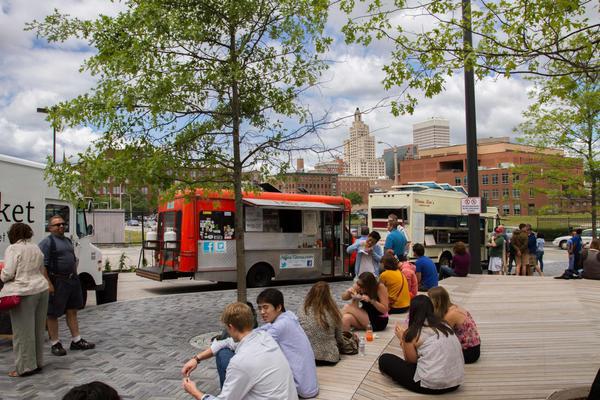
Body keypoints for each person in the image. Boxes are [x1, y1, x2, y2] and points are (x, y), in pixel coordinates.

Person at [205, 288, 318, 398]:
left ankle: (228, 394)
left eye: (265, 307)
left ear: (278, 307)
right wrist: (198, 358)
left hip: (299, 386)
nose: (262, 312)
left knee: (224, 354)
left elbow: (247, 340)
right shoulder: (287, 317)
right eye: (259, 308)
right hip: (307, 384)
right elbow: (254, 333)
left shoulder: (279, 327)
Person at [181, 302, 297, 400]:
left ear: (231, 327)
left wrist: (195, 392)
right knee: (223, 351)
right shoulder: (264, 336)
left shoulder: (240, 362)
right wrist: (196, 359)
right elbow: (226, 342)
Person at [378, 295, 464, 394]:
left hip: (430, 385)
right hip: (455, 382)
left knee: (385, 359)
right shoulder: (444, 325)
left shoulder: (412, 333)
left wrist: (403, 339)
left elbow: (411, 361)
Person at [39, 215, 95, 356]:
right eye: (57, 225)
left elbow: (73, 259)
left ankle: (76, 340)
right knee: (52, 314)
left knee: (72, 310)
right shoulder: (47, 243)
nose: (61, 226)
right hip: (57, 282)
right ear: (50, 228)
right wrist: (48, 283)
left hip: (72, 281)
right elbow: (42, 265)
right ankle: (55, 343)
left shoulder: (68, 240)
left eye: (63, 224)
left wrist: (75, 275)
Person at [0, 223, 50, 377]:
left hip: (24, 291)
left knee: (22, 332)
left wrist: (2, 277)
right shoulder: (35, 247)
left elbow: (8, 273)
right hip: (41, 289)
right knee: (37, 329)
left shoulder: (13, 248)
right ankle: (38, 362)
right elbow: (41, 268)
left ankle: (25, 367)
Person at [428, 286, 481, 364]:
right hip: (474, 347)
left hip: (469, 353)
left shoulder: (450, 315)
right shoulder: (454, 307)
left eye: (429, 300)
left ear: (437, 301)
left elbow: (439, 335)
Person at [297, 281, 344, 365]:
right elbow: (339, 338)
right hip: (331, 358)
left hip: (309, 358)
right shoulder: (333, 311)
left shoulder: (302, 310)